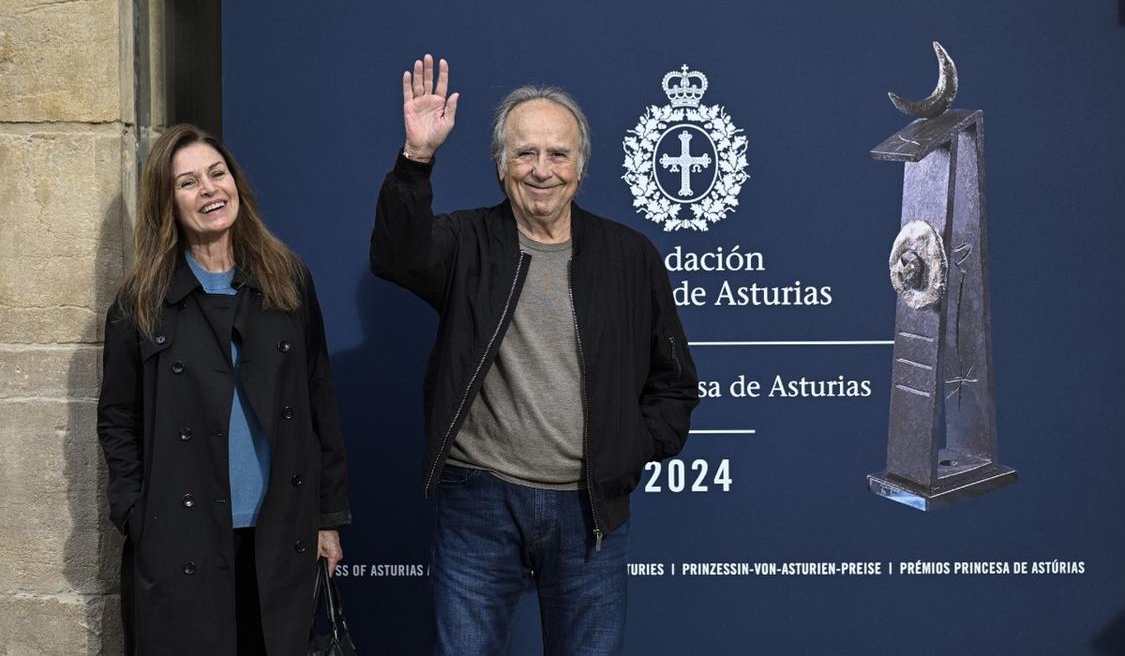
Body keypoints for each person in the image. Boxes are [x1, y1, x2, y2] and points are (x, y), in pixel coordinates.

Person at [370, 54, 699, 655]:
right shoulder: (466, 242)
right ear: (500, 167)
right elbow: (397, 255)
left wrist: (630, 449)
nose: (541, 169)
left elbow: (673, 381)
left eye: (558, 154)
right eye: (525, 153)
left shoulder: (630, 257)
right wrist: (417, 160)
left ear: (581, 167)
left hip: (590, 509)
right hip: (479, 501)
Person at [97, 124, 352, 655]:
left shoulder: (287, 279)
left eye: (217, 174)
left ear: (236, 182)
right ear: (167, 203)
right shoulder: (140, 302)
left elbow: (318, 402)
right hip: (180, 541)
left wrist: (327, 520)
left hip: (277, 536)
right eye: (188, 183)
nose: (210, 190)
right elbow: (117, 417)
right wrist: (136, 513)